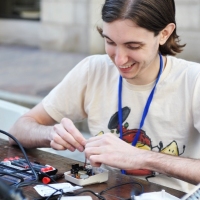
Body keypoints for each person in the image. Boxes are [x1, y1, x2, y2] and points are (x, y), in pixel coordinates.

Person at [9, 0, 200, 193]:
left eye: (133, 46)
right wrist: (49, 134)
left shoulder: (193, 81)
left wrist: (143, 157)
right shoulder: (93, 69)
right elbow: (18, 130)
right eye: (110, 42)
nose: (119, 59)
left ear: (164, 34)